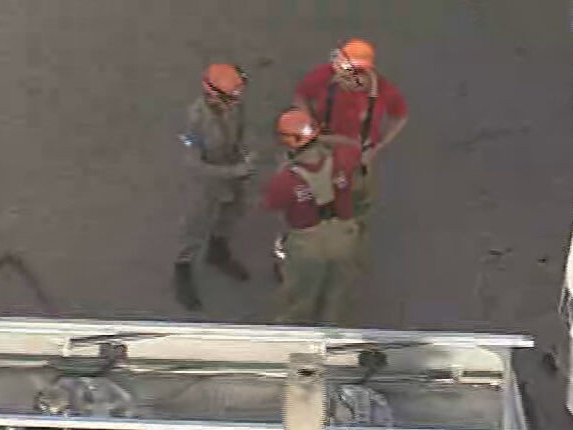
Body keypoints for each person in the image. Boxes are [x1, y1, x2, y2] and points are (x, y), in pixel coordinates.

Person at [293, 39, 406, 246]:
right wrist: (309, 127)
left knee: (355, 203)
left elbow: (400, 117)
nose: (336, 77)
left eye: (343, 74)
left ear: (360, 75)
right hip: (323, 151)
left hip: (357, 159)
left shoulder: (383, 92)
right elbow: (301, 96)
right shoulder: (324, 76)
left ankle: (347, 237)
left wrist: (378, 147)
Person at [261, 108, 363, 326]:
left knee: (299, 295)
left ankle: (293, 335)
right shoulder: (343, 159)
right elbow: (353, 147)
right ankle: (330, 330)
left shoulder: (286, 180)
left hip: (307, 242)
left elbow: (271, 204)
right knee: (337, 293)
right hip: (343, 235)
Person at [174, 63, 255, 312]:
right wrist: (234, 171)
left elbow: (238, 134)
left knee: (229, 216)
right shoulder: (196, 119)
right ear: (213, 94)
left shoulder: (234, 105)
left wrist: (243, 158)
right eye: (230, 97)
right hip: (206, 183)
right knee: (195, 227)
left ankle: (218, 253)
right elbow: (193, 164)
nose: (235, 102)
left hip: (232, 174)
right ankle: (183, 270)